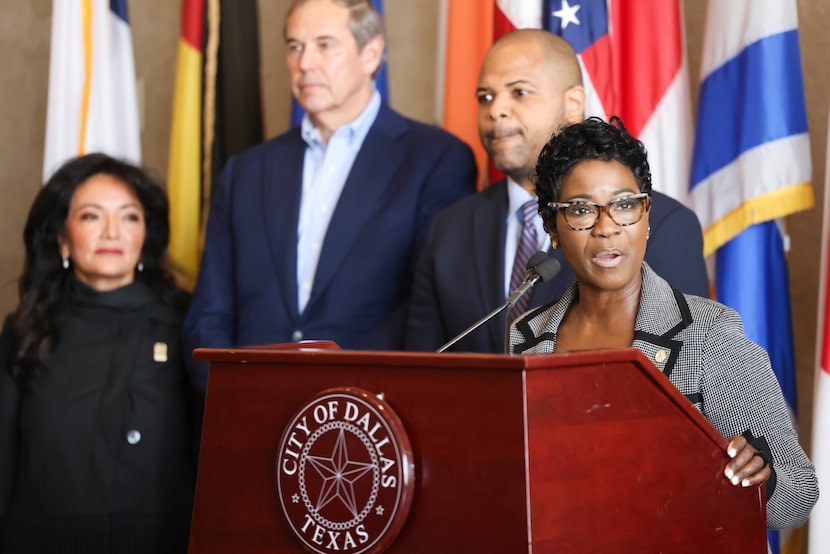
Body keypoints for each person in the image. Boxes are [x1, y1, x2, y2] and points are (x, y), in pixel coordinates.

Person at [509, 116, 818, 530]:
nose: (607, 228)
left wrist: (760, 477)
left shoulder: (709, 334)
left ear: (646, 215)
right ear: (553, 228)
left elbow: (799, 496)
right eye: (581, 210)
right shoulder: (526, 336)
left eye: (624, 205)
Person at [183, 0, 477, 392]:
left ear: (371, 53)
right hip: (250, 404)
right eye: (295, 47)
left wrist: (342, 391)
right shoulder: (246, 171)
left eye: (325, 45)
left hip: (368, 404)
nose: (305, 63)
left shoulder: (435, 160)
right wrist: (231, 397)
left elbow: (425, 306)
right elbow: (210, 311)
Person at [405, 29, 708, 353]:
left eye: (519, 92)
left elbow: (681, 359)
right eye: (485, 97)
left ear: (573, 103)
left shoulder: (663, 224)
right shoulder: (448, 229)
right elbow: (423, 367)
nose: (496, 110)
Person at [0, 154, 199, 552]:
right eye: (91, 216)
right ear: (62, 238)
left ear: (146, 236)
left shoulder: (187, 325)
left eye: (129, 217)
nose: (112, 233)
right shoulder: (25, 330)